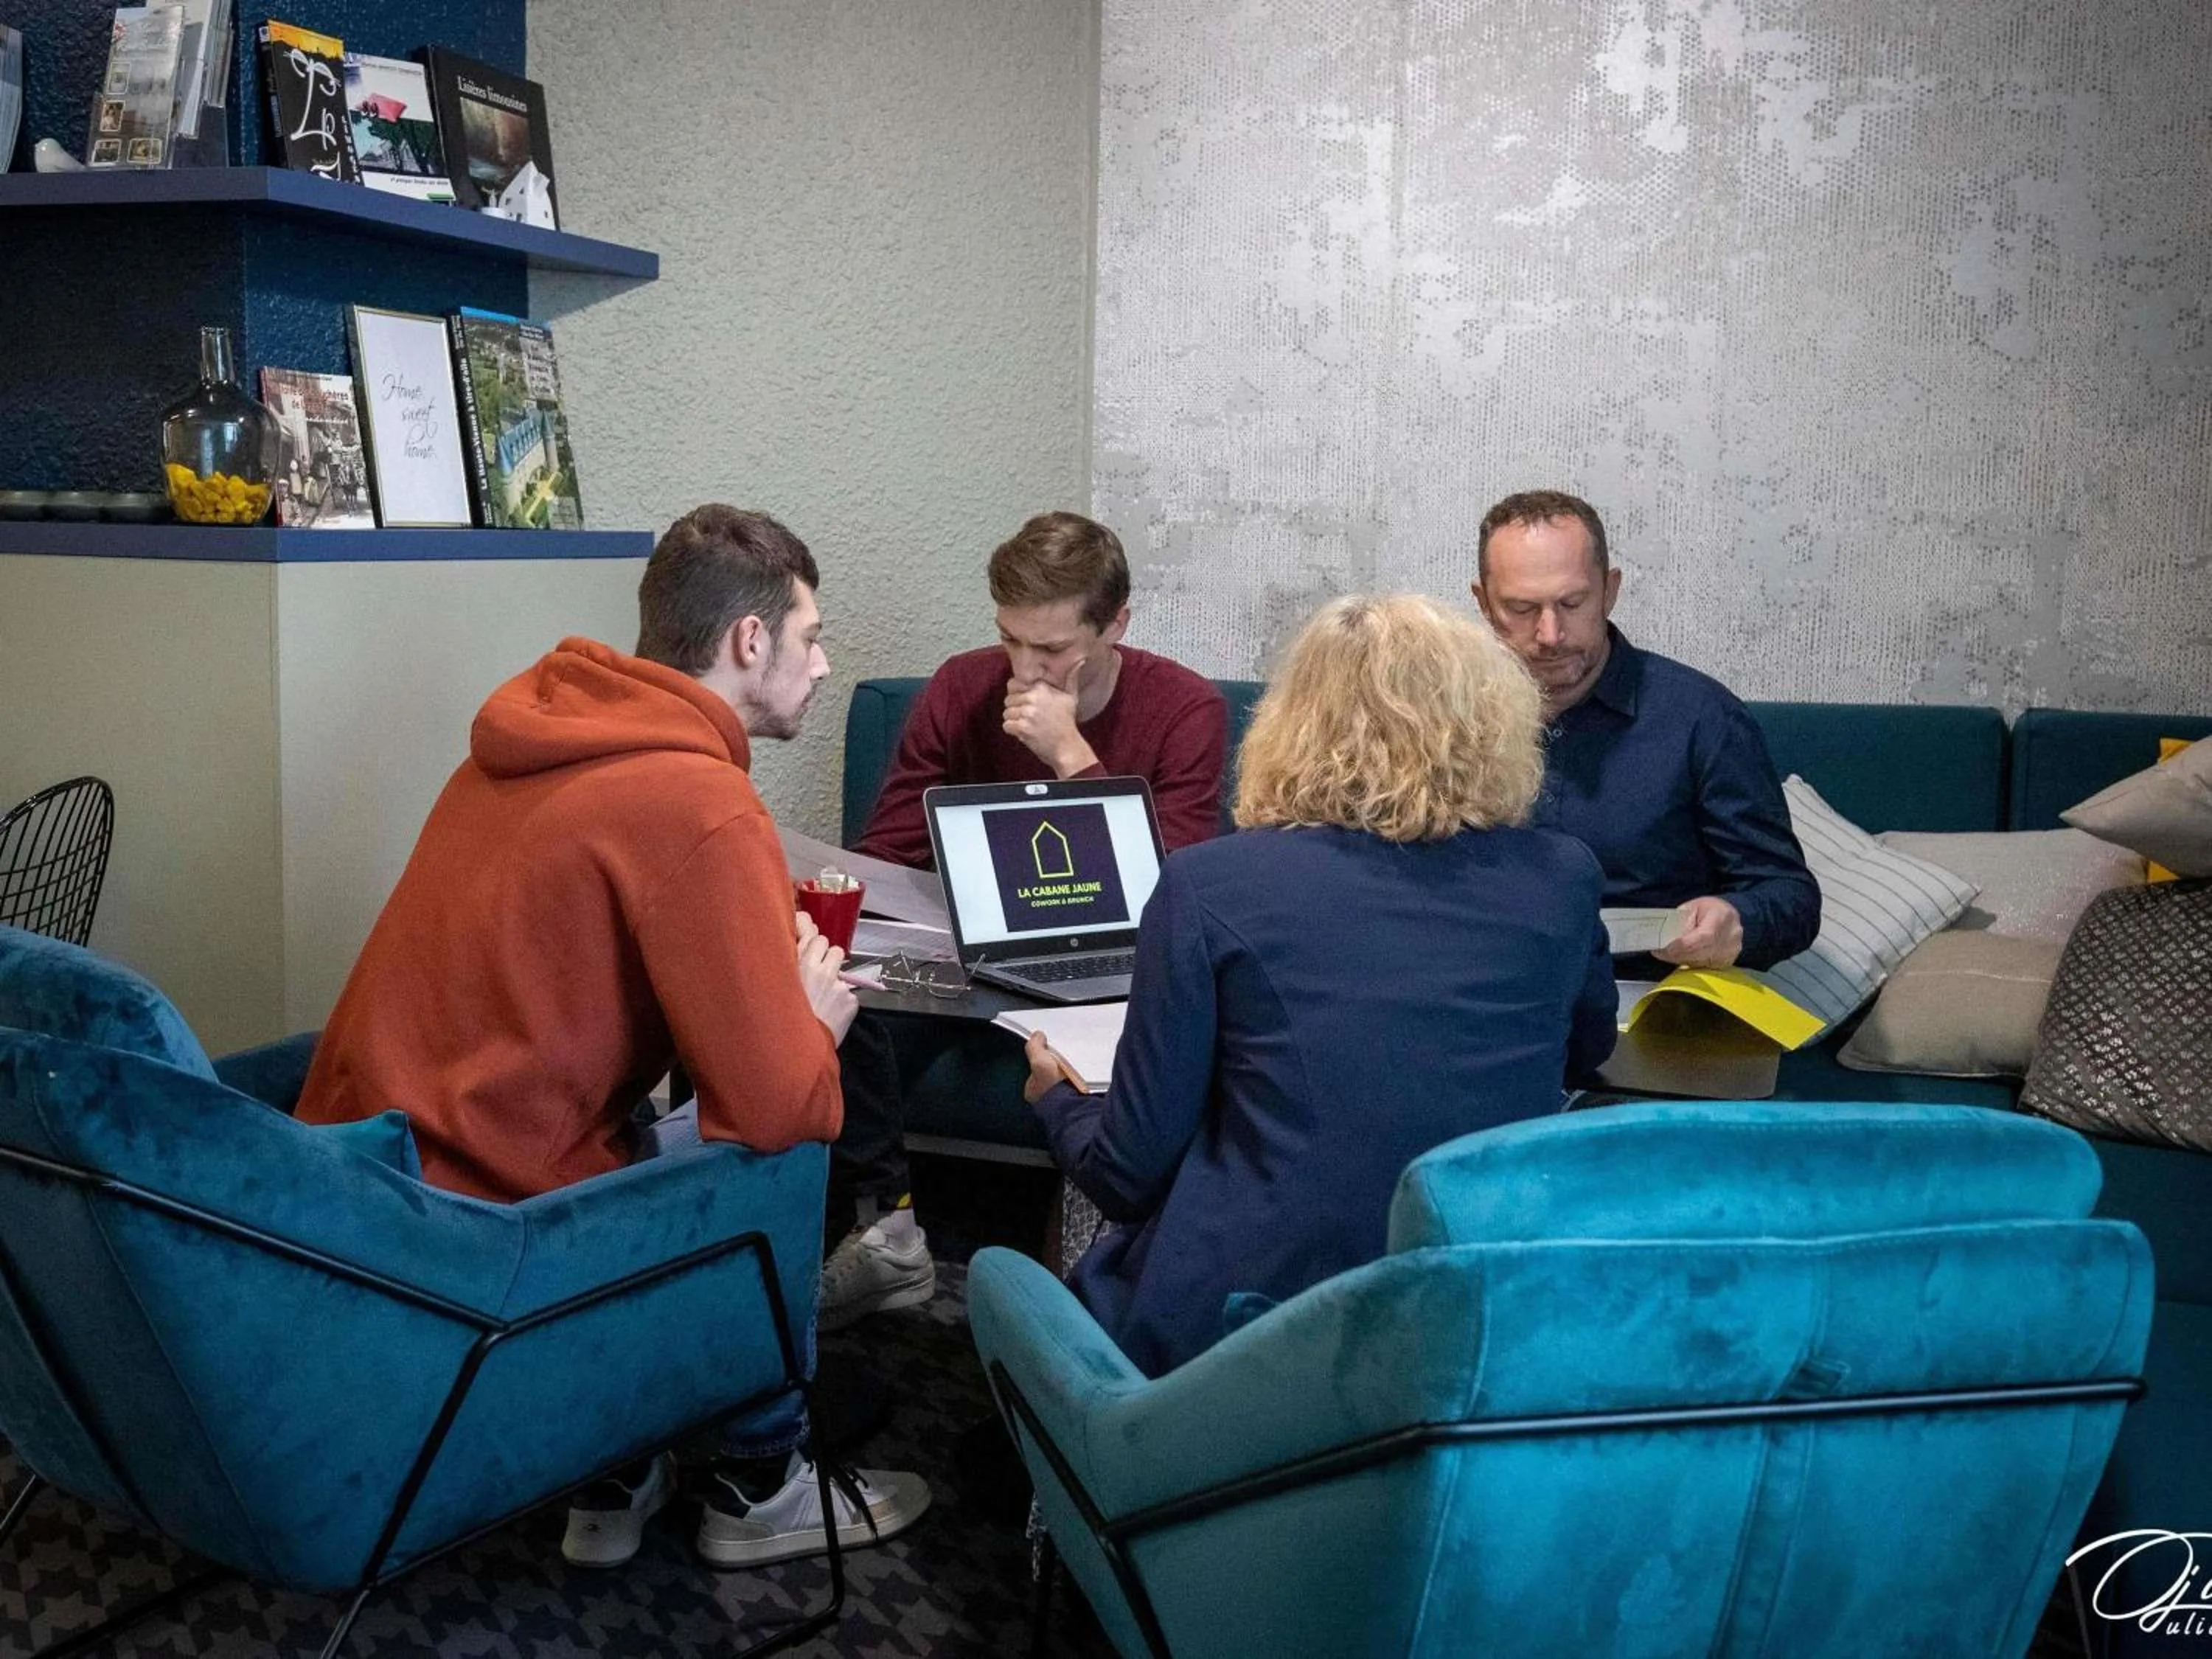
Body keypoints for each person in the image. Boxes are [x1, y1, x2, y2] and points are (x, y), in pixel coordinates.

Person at [295, 505, 930, 1572]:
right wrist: (810, 1026)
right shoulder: (699, 800)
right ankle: (758, 1483)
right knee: (776, 1140)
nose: (824, 666)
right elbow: (775, 1106)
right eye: (812, 637)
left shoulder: (523, 741)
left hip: (350, 1197)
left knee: (662, 1116)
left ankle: (616, 1470)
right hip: (493, 1242)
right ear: (748, 642)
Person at [1020, 594, 1616, 1378]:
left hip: (1256, 1330)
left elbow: (1127, 1173)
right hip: (1485, 1311)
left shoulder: (1210, 885)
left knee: (1092, 1234)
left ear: (1290, 725)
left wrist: (1057, 1100)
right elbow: (1587, 1050)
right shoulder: (1562, 876)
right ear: (1490, 723)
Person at [821, 511, 1229, 1331]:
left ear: (1115, 624)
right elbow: (890, 846)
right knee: (827, 1016)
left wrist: (1072, 758)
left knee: (1136, 1071)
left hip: (1117, 967)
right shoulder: (962, 687)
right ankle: (885, 1230)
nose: (1025, 669)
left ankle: (1069, 1320)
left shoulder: (1186, 708)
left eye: (1052, 650)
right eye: (1011, 640)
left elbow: (1181, 893)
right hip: (968, 954)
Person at [1471, 490, 1820, 972]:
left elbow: (1791, 898)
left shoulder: (1702, 717)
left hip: (1645, 1003)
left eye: (1573, 603)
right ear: (1484, 604)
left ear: (1610, 591)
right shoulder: (1441, 717)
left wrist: (1736, 921)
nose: (1551, 635)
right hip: (1483, 1001)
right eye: (1522, 609)